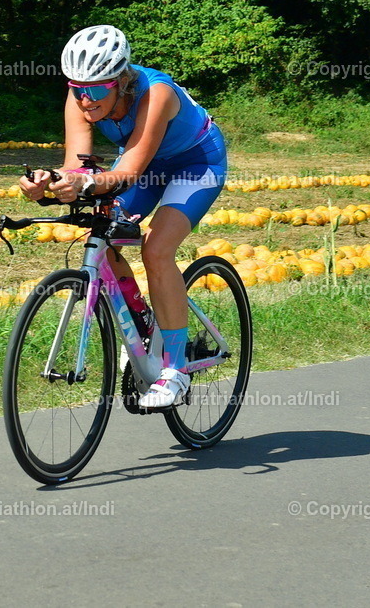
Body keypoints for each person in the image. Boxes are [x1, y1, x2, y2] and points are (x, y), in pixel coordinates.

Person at [19, 24, 227, 409]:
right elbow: (78, 167)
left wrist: (86, 182)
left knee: (156, 248)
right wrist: (49, 180)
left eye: (97, 90)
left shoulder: (156, 93)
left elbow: (128, 171)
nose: (86, 99)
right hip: (144, 165)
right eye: (77, 89)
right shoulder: (81, 96)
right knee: (103, 230)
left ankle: (176, 370)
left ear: (121, 81)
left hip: (195, 164)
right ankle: (144, 324)